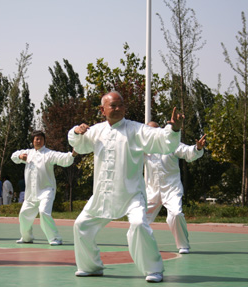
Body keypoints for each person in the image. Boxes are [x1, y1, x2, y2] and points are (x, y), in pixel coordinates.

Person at [68, 91, 184, 283]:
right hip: (102, 194)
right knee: (81, 225)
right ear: (102, 110)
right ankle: (90, 266)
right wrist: (76, 132)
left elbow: (162, 141)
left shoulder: (136, 130)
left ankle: (153, 269)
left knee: (139, 224)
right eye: (113, 105)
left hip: (131, 194)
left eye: (121, 104)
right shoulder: (96, 131)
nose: (118, 108)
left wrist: (174, 129)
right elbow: (80, 147)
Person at [144, 121, 206, 255]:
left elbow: (188, 152)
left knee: (176, 214)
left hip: (171, 189)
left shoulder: (171, 144)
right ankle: (139, 244)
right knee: (139, 219)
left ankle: (183, 245)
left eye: (154, 130)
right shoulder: (143, 148)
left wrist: (197, 148)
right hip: (151, 191)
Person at [11, 130, 77, 246]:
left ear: (44, 141)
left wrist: (72, 154)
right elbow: (13, 156)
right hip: (31, 194)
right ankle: (26, 237)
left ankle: (55, 238)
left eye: (41, 138)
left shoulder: (49, 154)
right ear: (32, 141)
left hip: (46, 190)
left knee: (44, 212)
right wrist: (20, 156)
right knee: (23, 214)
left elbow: (62, 158)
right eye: (36, 138)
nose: (38, 140)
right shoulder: (27, 153)